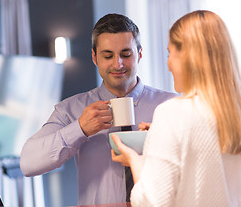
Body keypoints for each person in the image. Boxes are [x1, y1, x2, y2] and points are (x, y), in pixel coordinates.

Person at [20, 13, 176, 205]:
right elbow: (28, 163)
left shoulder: (172, 107)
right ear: (94, 57)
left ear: (140, 54)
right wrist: (79, 129)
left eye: (126, 55)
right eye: (108, 55)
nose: (117, 64)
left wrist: (165, 143)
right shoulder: (71, 109)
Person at [111, 10, 241, 206]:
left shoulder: (173, 113)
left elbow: (151, 202)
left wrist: (137, 162)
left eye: (170, 53)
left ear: (188, 56)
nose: (168, 64)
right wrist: (163, 136)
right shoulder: (240, 118)